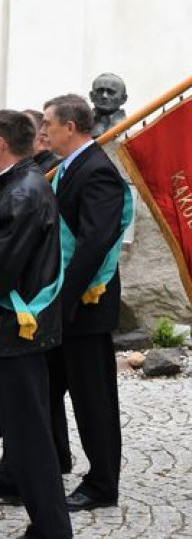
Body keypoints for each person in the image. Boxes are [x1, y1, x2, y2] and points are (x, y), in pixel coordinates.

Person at [43, 94, 130, 510]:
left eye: (49, 124)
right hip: (62, 307)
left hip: (84, 308)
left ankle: (102, 484)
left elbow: (94, 243)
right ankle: (26, 472)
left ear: (70, 127)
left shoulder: (97, 172)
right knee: (40, 391)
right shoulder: (68, 167)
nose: (44, 132)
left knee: (93, 400)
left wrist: (61, 301)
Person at [0, 110, 74, 539]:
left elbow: (4, 266)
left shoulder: (23, 193)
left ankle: (51, 530)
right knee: (25, 437)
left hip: (13, 336)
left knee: (29, 441)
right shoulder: (17, 186)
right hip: (10, 334)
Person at [87, 73, 128, 138]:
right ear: (91, 96)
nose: (104, 96)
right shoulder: (81, 125)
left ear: (123, 99)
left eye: (111, 92)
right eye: (100, 91)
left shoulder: (129, 126)